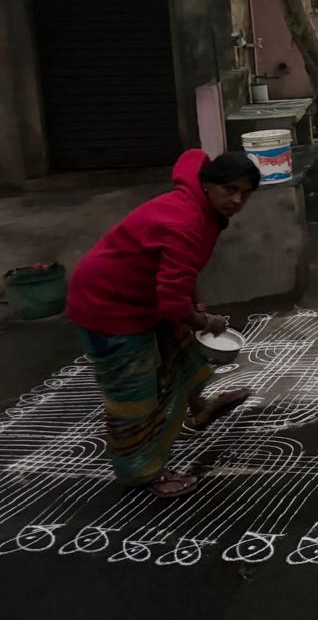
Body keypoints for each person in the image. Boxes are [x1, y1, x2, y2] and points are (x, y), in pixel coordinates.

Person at [66, 150, 261, 497]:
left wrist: (194, 307)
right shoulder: (185, 222)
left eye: (245, 194)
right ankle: (140, 472)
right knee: (134, 395)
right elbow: (172, 303)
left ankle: (199, 409)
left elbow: (193, 155)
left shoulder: (200, 201)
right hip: (108, 306)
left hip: (142, 295)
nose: (236, 201)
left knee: (185, 355)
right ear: (207, 184)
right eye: (229, 189)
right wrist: (205, 320)